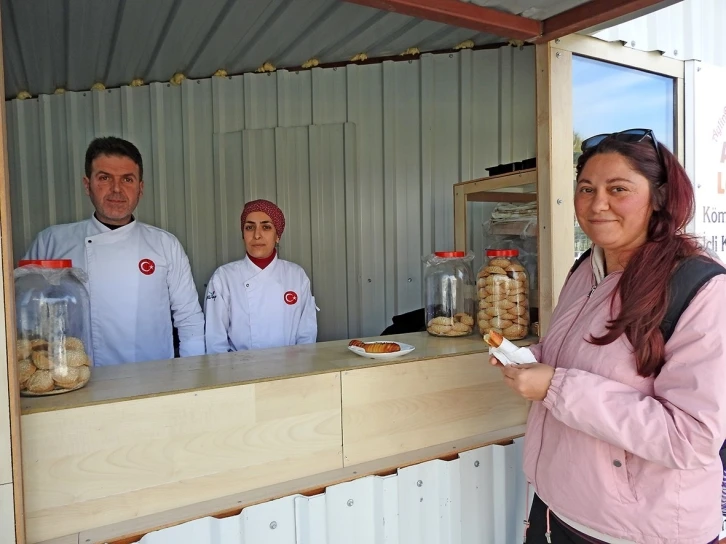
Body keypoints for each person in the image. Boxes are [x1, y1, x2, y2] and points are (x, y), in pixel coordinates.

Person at [491, 129, 726, 543]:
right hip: (557, 509)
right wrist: (528, 357)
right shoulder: (587, 267)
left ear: (659, 197)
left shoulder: (701, 287)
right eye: (586, 188)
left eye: (618, 189)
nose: (597, 204)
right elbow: (580, 355)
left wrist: (556, 387)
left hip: (637, 531)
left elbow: (692, 438)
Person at [24, 136, 205, 366]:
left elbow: (189, 319)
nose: (117, 189)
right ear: (87, 184)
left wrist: (191, 379)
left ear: (140, 188)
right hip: (77, 381)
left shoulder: (164, 244)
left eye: (127, 179)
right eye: (104, 178)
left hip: (155, 380)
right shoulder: (52, 242)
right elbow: (25, 316)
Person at [204, 199, 317, 353]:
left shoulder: (296, 275)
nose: (257, 235)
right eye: (250, 227)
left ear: (278, 235)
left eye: (266, 227)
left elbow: (307, 336)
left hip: (290, 371)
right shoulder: (224, 278)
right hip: (239, 372)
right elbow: (215, 341)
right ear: (243, 235)